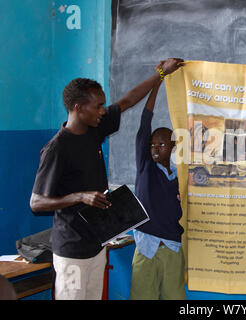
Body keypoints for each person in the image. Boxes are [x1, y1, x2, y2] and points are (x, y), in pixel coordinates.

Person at [29, 58, 183, 300]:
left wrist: (161, 74)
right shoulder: (57, 149)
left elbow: (128, 100)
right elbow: (36, 203)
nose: (103, 111)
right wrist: (80, 196)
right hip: (72, 249)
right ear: (79, 107)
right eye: (98, 106)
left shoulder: (95, 130)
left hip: (97, 243)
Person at [129, 62, 185, 300]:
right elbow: (145, 123)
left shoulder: (179, 175)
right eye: (152, 144)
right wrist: (158, 80)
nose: (154, 148)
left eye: (161, 145)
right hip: (146, 246)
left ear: (173, 146)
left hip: (171, 246)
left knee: (174, 296)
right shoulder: (146, 169)